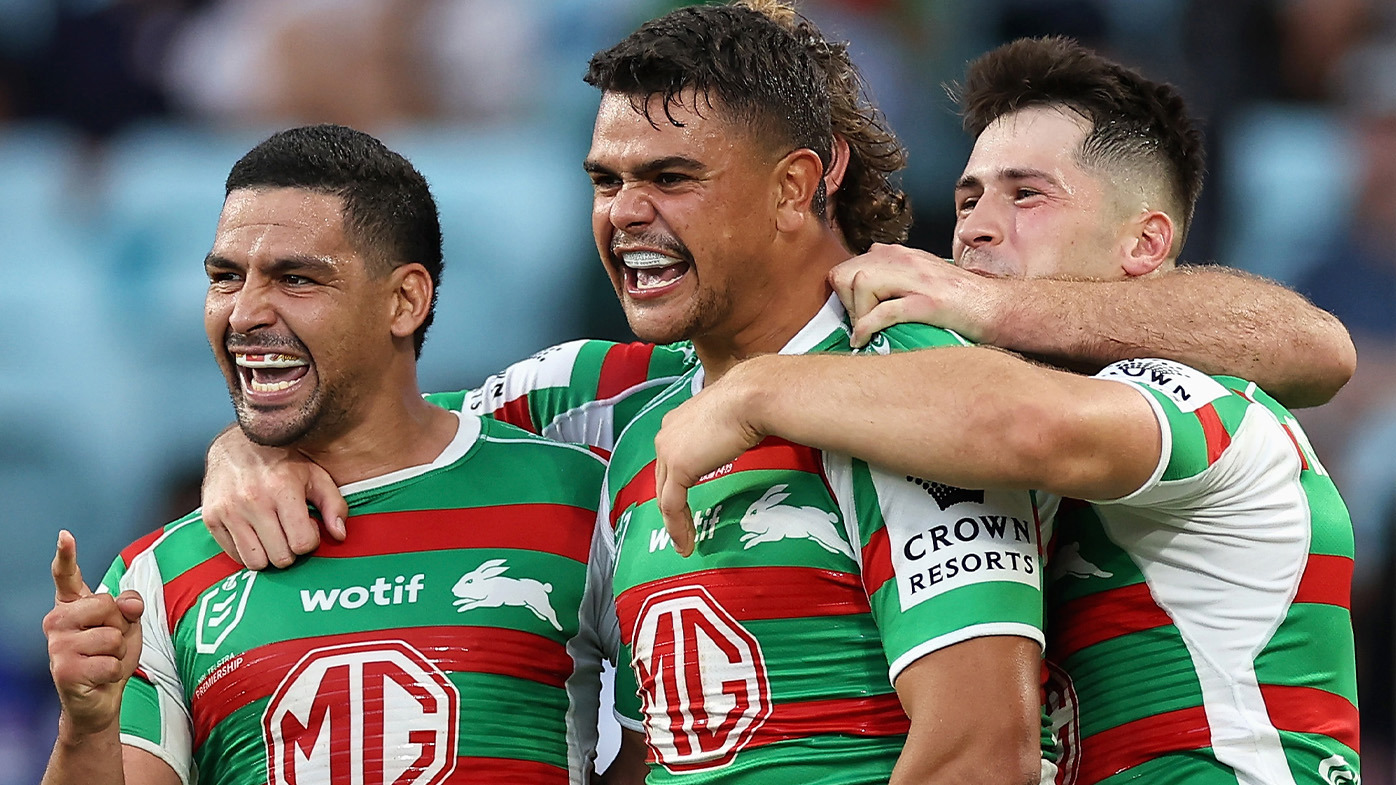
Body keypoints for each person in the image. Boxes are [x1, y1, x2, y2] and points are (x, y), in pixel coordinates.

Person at [196, 4, 1358, 783]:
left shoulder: (935, 393)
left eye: (1026, 195)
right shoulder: (605, 399)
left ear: (799, 186)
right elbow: (396, 435)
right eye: (604, 180)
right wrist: (255, 446)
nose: (975, 228)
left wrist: (775, 393)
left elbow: (982, 743)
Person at [649, 37, 1361, 785]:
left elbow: (1028, 422)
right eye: (967, 198)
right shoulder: (1005, 428)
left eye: (1026, 195)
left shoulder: (1206, 406)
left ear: (1146, 241)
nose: (974, 229)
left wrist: (760, 389)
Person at [39, 124, 638, 785]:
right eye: (226, 277)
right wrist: (85, 726)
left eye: (295, 278)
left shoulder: (584, 496)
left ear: (404, 300)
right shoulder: (154, 575)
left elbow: (677, 749)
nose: (243, 313)